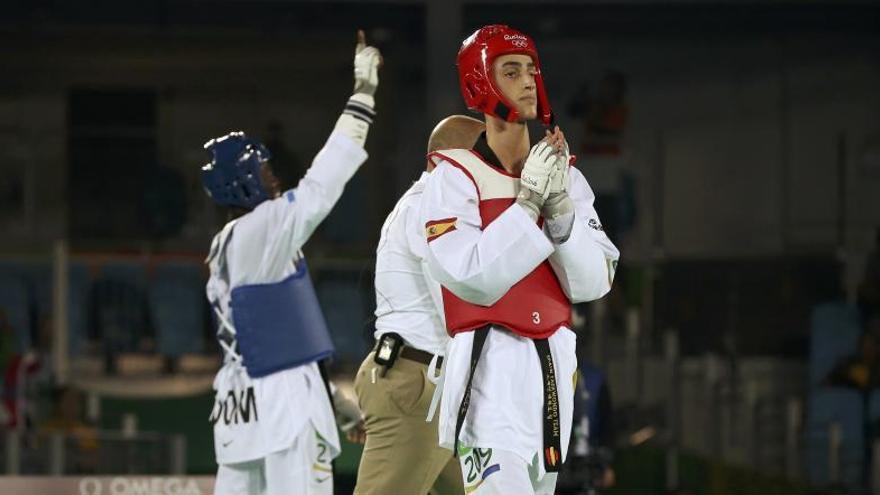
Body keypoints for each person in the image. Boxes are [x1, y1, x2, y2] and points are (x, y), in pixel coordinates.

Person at [420, 25, 620, 494]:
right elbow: (471, 279)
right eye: (512, 71)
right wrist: (527, 205)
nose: (529, 81)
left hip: (552, 369)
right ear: (479, 85)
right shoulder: (453, 178)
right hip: (490, 364)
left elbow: (596, 282)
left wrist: (560, 212)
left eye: (531, 69)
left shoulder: (565, 175)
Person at [203, 30, 381, 495]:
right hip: (284, 411)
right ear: (244, 183)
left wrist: (328, 396)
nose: (274, 176)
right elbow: (323, 184)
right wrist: (362, 98)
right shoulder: (261, 232)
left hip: (242, 410)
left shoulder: (230, 245)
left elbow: (278, 333)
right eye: (264, 170)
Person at [353, 115, 484, 495]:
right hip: (418, 387)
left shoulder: (431, 206)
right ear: (438, 162)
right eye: (475, 161)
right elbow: (455, 305)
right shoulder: (428, 206)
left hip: (437, 385)